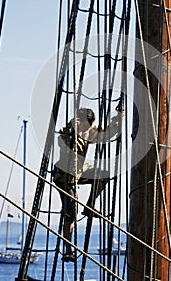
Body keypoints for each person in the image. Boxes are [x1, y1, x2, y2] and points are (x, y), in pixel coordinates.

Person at [53, 108, 123, 262]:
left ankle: (90, 205)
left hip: (78, 172)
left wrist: (118, 118)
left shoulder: (89, 132)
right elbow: (61, 141)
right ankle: (68, 249)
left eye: (87, 125)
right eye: (83, 124)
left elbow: (107, 134)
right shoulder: (68, 133)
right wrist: (71, 127)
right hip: (64, 177)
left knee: (103, 175)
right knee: (70, 214)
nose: (85, 128)